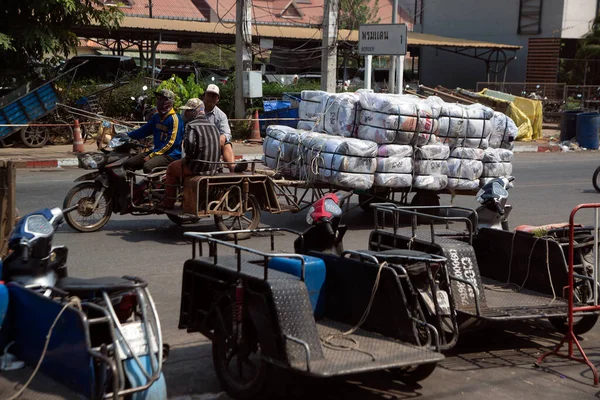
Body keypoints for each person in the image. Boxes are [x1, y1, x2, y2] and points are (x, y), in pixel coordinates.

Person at [161, 98, 221, 209]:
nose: (185, 113)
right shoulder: (213, 126)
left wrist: (186, 160)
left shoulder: (191, 126)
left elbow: (189, 150)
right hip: (213, 168)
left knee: (171, 168)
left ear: (195, 111)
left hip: (197, 168)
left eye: (188, 111)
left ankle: (168, 202)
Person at [124, 89, 184, 173]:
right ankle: (131, 185)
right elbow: (144, 130)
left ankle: (151, 186)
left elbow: (171, 143)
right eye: (158, 99)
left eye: (162, 99)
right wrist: (127, 135)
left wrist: (152, 155)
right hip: (157, 151)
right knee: (129, 163)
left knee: (148, 166)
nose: (159, 102)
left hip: (170, 155)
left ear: (169, 102)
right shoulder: (156, 117)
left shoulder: (175, 119)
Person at [203, 84, 246, 172]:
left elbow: (226, 133)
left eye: (214, 96)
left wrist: (222, 138)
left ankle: (233, 168)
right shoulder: (195, 109)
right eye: (209, 95)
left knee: (227, 144)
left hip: (214, 145)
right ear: (204, 96)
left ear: (217, 99)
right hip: (197, 143)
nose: (211, 98)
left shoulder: (221, 115)